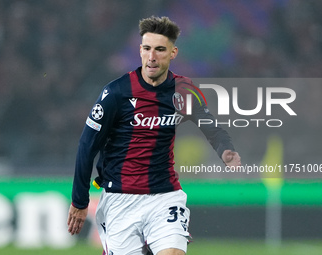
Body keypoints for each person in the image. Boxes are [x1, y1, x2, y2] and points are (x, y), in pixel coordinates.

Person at [67, 16, 241, 255]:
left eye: (160, 49)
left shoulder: (184, 91)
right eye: (147, 49)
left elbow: (212, 128)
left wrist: (226, 149)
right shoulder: (117, 92)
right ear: (139, 50)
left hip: (165, 196)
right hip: (120, 199)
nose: (152, 56)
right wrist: (79, 200)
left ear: (173, 53)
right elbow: (87, 145)